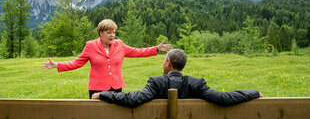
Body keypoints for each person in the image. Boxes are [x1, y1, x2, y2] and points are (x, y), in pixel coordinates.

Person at [41, 19, 172, 99]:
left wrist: (156, 49)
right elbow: (77, 62)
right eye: (109, 32)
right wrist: (57, 65)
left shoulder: (119, 44)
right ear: (100, 33)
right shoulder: (90, 45)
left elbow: (137, 52)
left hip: (116, 87)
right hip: (97, 88)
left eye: (114, 32)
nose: (112, 35)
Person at [92, 49, 263, 108]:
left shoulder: (156, 82)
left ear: (167, 63)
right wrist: (254, 93)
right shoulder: (197, 83)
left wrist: (103, 94)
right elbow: (225, 98)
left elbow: (132, 99)